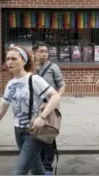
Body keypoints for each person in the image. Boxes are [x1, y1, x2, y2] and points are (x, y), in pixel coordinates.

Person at [0, 46, 61, 175]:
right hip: (18, 131)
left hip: (33, 131)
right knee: (37, 169)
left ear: (24, 61)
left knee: (19, 172)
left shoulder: (34, 79)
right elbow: (1, 109)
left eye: (13, 59)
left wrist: (42, 117)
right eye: (7, 59)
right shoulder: (11, 84)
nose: (9, 62)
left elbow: (55, 96)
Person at [32, 42, 66, 175]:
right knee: (34, 136)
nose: (44, 54)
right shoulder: (29, 68)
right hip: (34, 108)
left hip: (49, 108)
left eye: (46, 51)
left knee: (48, 137)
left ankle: (47, 167)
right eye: (41, 51)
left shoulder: (53, 67)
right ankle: (37, 164)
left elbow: (62, 85)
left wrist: (55, 99)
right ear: (34, 52)